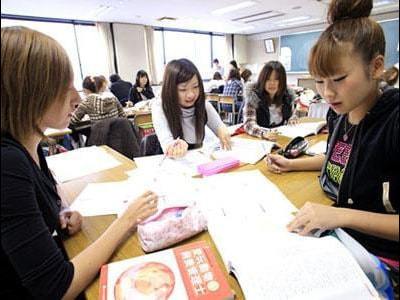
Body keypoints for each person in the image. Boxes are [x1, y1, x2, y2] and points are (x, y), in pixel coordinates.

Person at [1, 26, 158, 299]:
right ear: (27, 92)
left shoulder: (32, 146)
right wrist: (126, 220)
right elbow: (57, 287)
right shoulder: (7, 163)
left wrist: (57, 213)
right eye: (64, 89)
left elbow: (36, 202)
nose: (76, 98)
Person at [266, 0, 399, 270]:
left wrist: (340, 215)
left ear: (375, 67)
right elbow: (343, 157)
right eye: (319, 81)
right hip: (343, 239)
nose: (327, 93)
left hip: (383, 256)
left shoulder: (393, 122)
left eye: (338, 79)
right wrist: (293, 164)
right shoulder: (340, 114)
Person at [152, 58, 231, 157]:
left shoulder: (203, 105)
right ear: (170, 89)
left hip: (197, 162)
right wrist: (174, 147)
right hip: (171, 164)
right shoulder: (160, 107)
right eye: (183, 89)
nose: (191, 95)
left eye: (195, 87)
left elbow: (219, 126)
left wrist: (223, 131)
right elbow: (166, 142)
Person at [243, 61, 296, 141]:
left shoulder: (287, 97)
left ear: (282, 81)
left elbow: (290, 116)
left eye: (276, 79)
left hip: (279, 140)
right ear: (262, 80)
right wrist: (264, 133)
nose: (272, 83)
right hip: (258, 141)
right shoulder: (253, 96)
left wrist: (292, 119)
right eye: (268, 79)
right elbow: (249, 124)